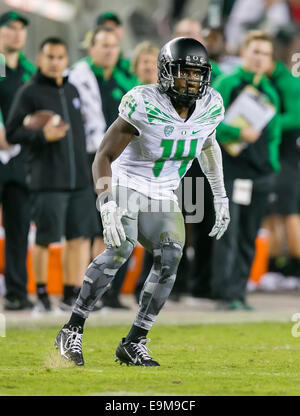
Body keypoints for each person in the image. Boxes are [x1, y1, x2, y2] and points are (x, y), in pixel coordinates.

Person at [54, 37, 230, 367]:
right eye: (184, 73)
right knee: (121, 248)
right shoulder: (143, 101)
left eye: (197, 74)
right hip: (127, 180)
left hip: (164, 190)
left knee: (171, 255)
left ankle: (134, 341)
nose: (192, 80)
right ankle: (71, 328)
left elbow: (208, 146)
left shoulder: (211, 105)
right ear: (165, 73)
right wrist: (106, 202)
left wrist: (220, 195)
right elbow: (103, 155)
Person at [6, 37, 92, 312]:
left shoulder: (72, 91)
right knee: (45, 239)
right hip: (47, 179)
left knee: (78, 238)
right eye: (50, 57)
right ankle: (42, 294)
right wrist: (42, 134)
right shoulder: (29, 92)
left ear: (66, 60)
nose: (55, 63)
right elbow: (12, 132)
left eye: (60, 57)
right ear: (41, 59)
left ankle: (71, 293)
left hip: (79, 178)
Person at [210, 30, 281, 310]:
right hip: (231, 170)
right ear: (244, 53)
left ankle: (240, 292)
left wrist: (272, 165)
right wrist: (237, 131)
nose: (260, 58)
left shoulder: (270, 91)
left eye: (265, 53)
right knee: (229, 231)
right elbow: (210, 122)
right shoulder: (227, 83)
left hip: (260, 174)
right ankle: (224, 294)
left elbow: (273, 133)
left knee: (249, 234)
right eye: (256, 52)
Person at [69, 27, 138, 309]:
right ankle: (79, 287)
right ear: (91, 48)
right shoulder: (78, 79)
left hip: (119, 163)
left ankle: (100, 290)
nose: (109, 50)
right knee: (86, 224)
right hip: (90, 159)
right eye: (103, 45)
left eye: (113, 46)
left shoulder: (124, 82)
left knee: (106, 228)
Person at [0, 11, 36, 311]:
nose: (16, 34)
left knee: (19, 226)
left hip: (19, 157)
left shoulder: (28, 70)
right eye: (10, 28)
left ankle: (16, 290)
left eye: (21, 29)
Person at [263, 57, 300, 278]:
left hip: (287, 158)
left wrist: (265, 121)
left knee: (289, 213)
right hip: (280, 158)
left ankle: (295, 269)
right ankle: (274, 267)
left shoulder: (289, 83)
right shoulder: (271, 83)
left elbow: (296, 117)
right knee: (274, 214)